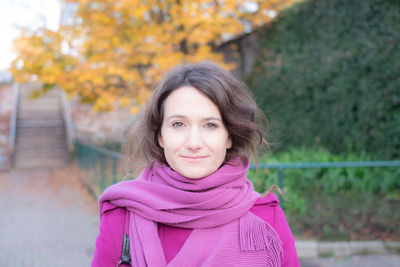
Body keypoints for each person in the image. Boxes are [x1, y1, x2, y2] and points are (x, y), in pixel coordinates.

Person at [91, 61, 299, 266]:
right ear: (161, 135)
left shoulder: (265, 218)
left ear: (229, 136)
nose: (193, 143)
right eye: (178, 124)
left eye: (210, 125)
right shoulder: (121, 218)